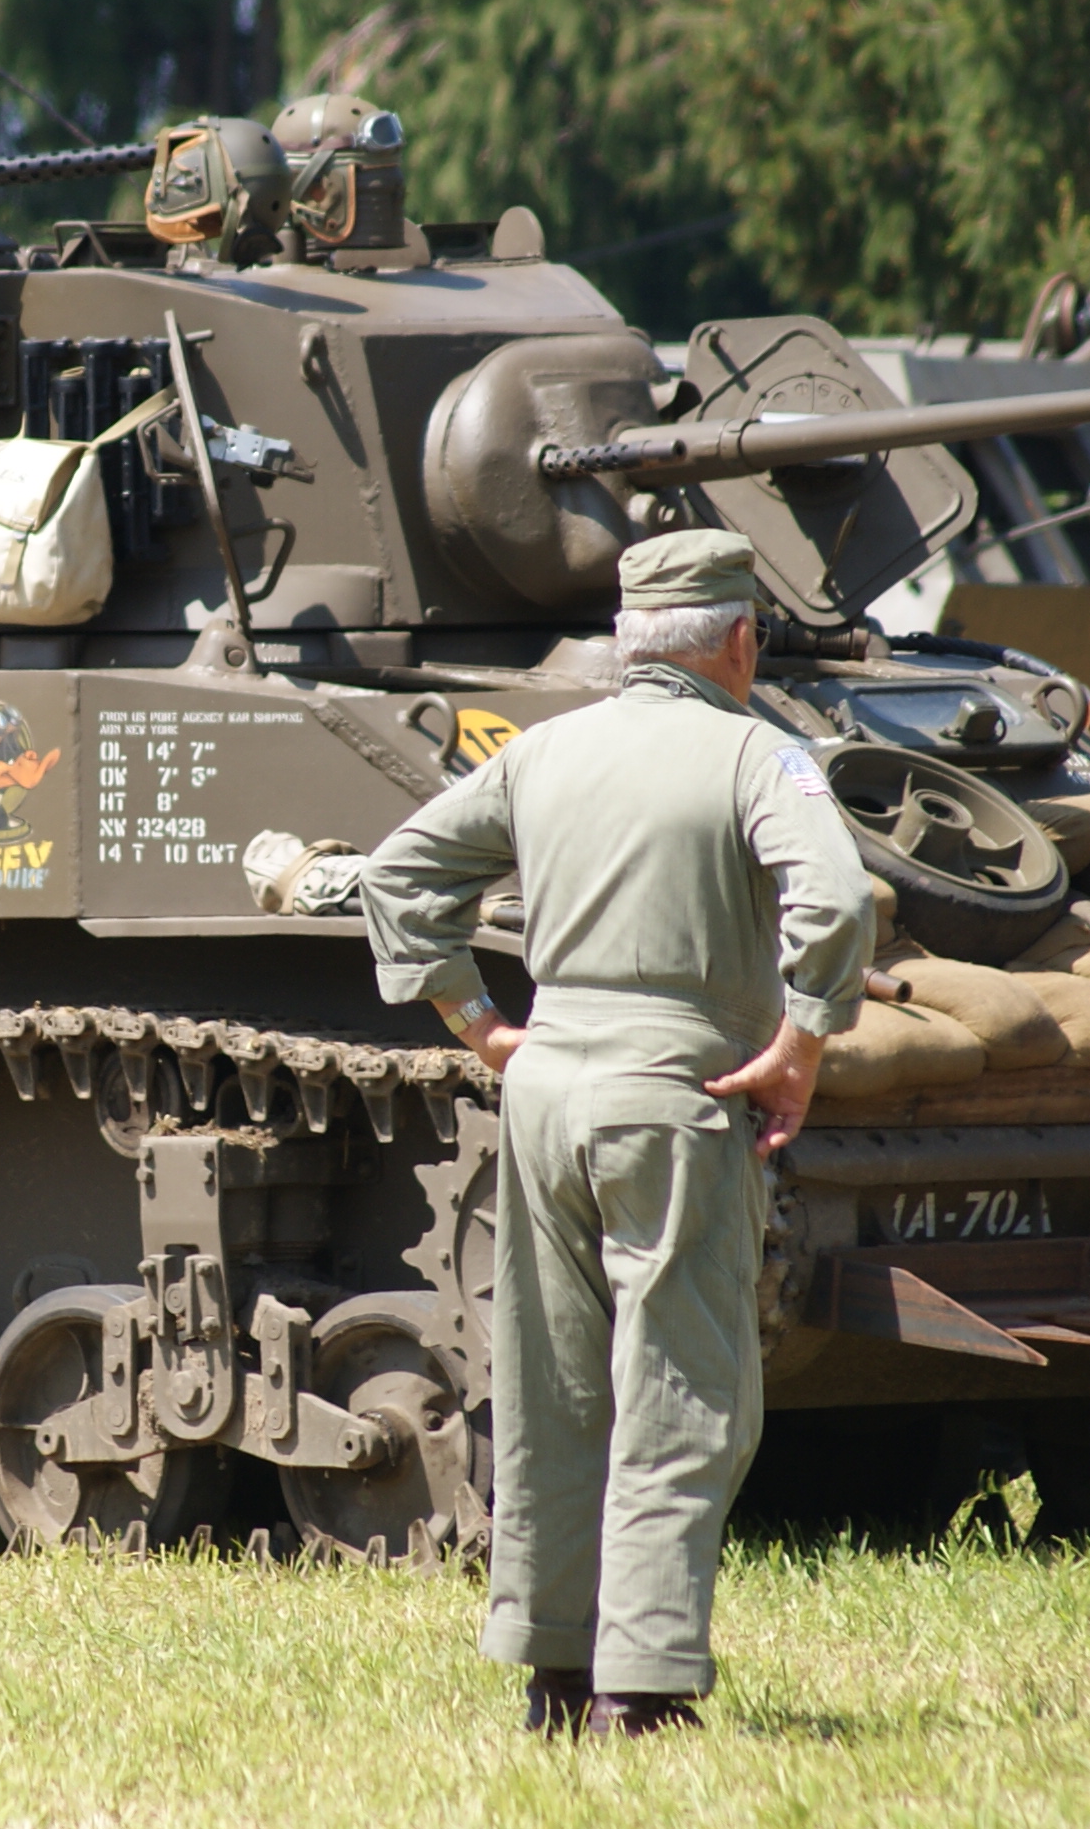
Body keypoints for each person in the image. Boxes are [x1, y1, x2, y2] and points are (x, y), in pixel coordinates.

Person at [361, 530, 872, 1736]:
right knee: (679, 1383)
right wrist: (802, 1041)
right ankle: (639, 1691)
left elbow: (396, 875)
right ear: (739, 641)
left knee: (550, 1387)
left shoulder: (545, 751)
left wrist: (479, 1024)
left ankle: (551, 1672)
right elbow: (838, 898)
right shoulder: (758, 754)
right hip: (677, 1098)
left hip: (544, 1098)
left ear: (627, 640)